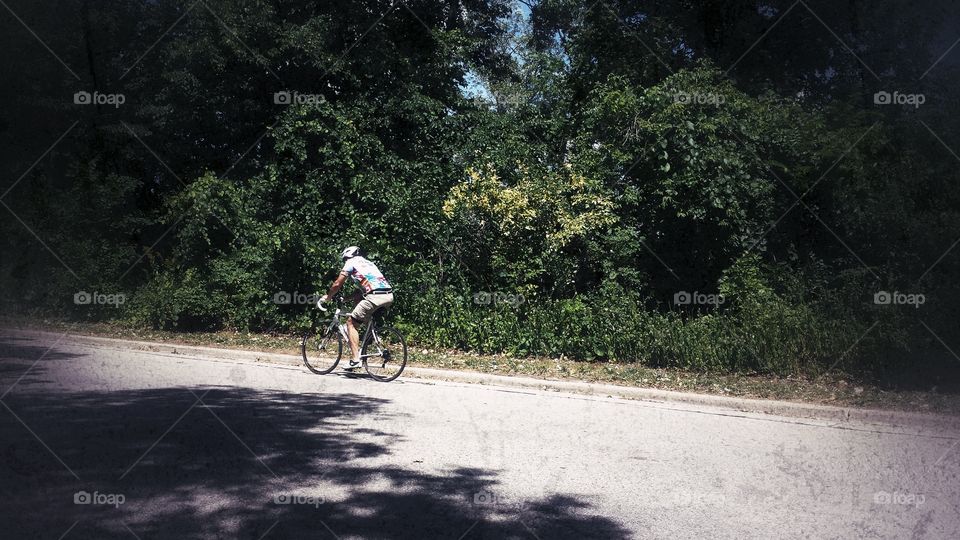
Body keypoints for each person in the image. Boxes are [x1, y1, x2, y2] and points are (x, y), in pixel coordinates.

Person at [318, 246, 394, 369]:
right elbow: (361, 292)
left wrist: (328, 297)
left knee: (351, 324)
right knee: (360, 314)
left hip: (375, 297)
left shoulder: (351, 262)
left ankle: (355, 360)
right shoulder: (369, 263)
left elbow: (337, 284)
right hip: (388, 295)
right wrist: (346, 298)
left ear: (347, 256)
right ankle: (371, 342)